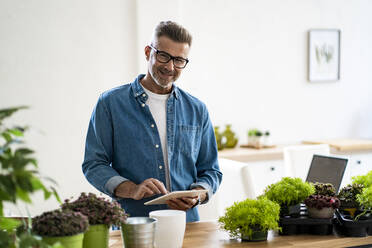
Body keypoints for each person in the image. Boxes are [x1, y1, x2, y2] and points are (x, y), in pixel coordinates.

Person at [82, 21, 222, 222]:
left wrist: (198, 194)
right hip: (132, 225)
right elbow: (94, 164)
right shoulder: (110, 103)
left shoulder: (197, 109)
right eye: (163, 56)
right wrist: (131, 189)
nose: (170, 67)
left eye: (179, 60)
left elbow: (211, 170)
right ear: (149, 52)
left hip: (185, 224)